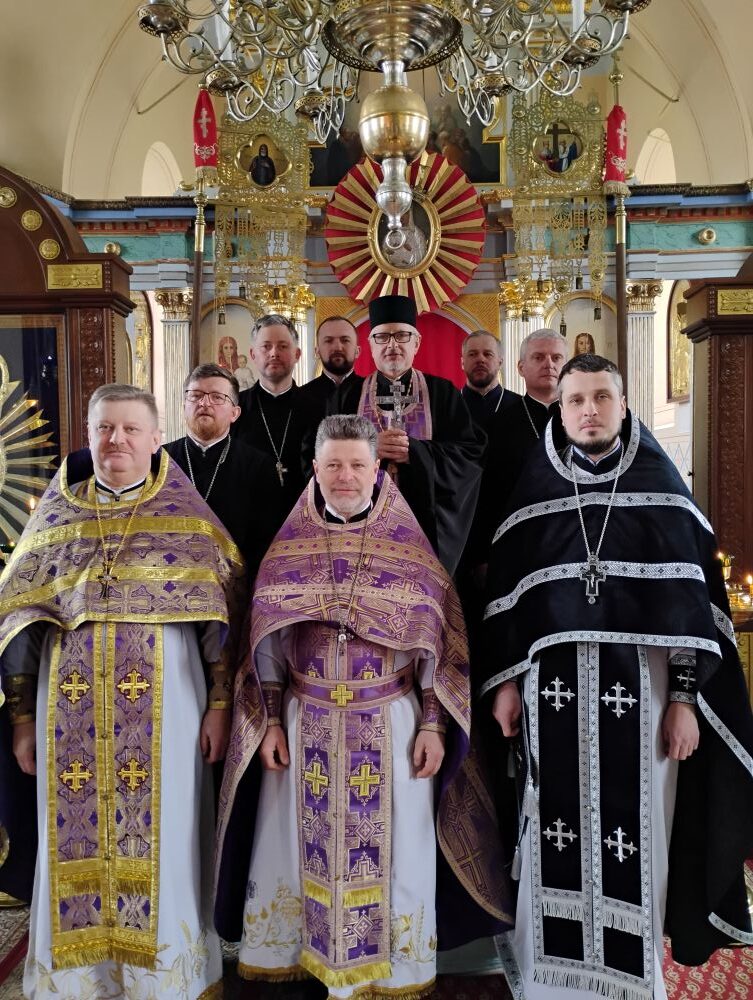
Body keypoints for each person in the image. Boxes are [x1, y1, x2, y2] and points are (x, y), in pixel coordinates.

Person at [481, 355, 753, 1000]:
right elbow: (510, 605)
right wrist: (507, 684)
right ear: (560, 409)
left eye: (602, 397)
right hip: (552, 698)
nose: (589, 411)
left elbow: (691, 618)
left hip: (645, 702)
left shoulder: (663, 491)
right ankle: (551, 981)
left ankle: (632, 980)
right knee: (550, 825)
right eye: (576, 400)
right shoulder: (536, 492)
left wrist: (684, 700)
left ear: (624, 405)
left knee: (641, 833)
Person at [214, 415, 512, 998]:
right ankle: (308, 961)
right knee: (294, 849)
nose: (345, 476)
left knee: (396, 852)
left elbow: (438, 644)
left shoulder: (411, 551)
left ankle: (392, 972)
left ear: (377, 470)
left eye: (356, 465)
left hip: (391, 725)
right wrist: (269, 720)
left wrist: (433, 725)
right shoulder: (288, 549)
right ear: (315, 470)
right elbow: (266, 643)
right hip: (305, 723)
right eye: (333, 465)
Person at [0, 384, 246, 1000]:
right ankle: (78, 982)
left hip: (170, 709)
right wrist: (22, 719)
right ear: (88, 436)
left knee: (167, 837)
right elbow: (20, 624)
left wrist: (220, 707)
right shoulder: (56, 520)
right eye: (105, 428)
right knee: (69, 837)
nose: (117, 441)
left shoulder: (190, 520)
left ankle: (163, 981)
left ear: (156, 438)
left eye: (131, 429)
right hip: (68, 713)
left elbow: (222, 621)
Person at [335, 294, 485, 575]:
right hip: (360, 529)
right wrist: (367, 449)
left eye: (402, 336)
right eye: (382, 337)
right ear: (370, 345)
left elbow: (469, 455)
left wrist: (415, 451)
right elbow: (322, 456)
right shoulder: (347, 396)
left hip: (424, 528)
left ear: (416, 343)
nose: (392, 345)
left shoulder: (442, 393)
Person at [163, 363, 279, 580]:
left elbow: (264, 544)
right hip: (170, 584)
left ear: (235, 413)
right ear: (184, 406)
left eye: (217, 397)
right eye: (195, 395)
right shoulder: (160, 460)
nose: (204, 403)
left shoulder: (258, 466)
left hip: (233, 586)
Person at [470, 328, 568, 564]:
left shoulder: (586, 420)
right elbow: (485, 496)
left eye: (556, 358)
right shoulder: (497, 424)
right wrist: (483, 557)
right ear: (521, 367)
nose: (549, 364)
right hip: (516, 542)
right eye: (538, 357)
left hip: (573, 538)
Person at [234, 313, 315, 521]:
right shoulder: (235, 408)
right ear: (253, 354)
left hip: (304, 519)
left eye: (283, 346)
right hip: (248, 520)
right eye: (266, 346)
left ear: (297, 354)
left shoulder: (317, 407)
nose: (274, 353)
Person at [297, 315, 363, 413]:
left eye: (345, 340)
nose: (337, 347)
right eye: (328, 341)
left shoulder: (373, 394)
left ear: (357, 351)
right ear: (317, 352)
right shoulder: (299, 398)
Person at [460, 330, 505, 431]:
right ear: (462, 363)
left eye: (488, 354)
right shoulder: (446, 407)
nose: (480, 359)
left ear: (500, 363)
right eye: (472, 354)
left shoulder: (522, 406)